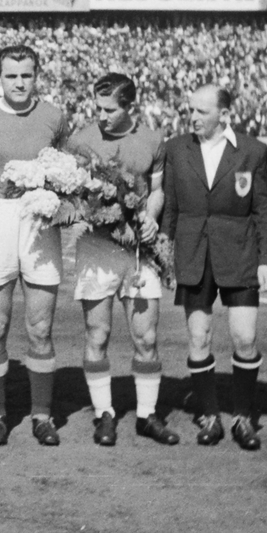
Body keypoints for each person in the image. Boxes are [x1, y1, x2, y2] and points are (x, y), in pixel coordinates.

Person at [0, 44, 68, 447]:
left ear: (37, 74)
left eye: (26, 75)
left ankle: (42, 415)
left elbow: (65, 169)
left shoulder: (54, 116)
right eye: (11, 76)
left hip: (40, 222)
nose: (19, 83)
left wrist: (54, 202)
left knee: (40, 326)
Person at [160, 84, 267, 450]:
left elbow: (262, 210)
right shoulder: (177, 148)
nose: (192, 117)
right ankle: (210, 415)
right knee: (199, 337)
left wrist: (266, 260)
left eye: (201, 111)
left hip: (239, 254)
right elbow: (171, 206)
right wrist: (165, 248)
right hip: (194, 253)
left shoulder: (253, 150)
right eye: (190, 110)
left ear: (224, 115)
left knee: (244, 337)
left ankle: (243, 416)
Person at [64, 73, 179, 447]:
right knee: (97, 333)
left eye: (110, 109)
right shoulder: (81, 140)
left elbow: (158, 191)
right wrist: (98, 216)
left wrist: (149, 218)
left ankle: (147, 415)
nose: (102, 116)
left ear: (130, 106)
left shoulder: (151, 139)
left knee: (145, 337)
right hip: (98, 248)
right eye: (97, 107)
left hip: (138, 250)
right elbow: (71, 195)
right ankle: (105, 414)